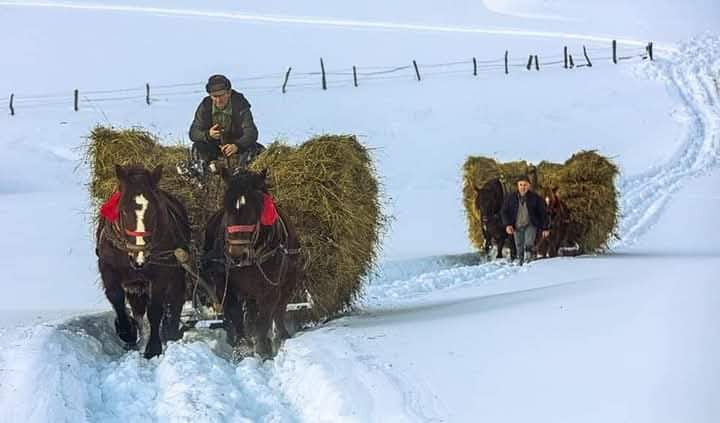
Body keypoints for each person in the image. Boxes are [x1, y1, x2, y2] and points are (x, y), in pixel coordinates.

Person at [189, 74, 263, 169]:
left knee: (256, 149)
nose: (218, 100)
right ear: (210, 95)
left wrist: (237, 145)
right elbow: (193, 133)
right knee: (198, 146)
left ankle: (241, 172)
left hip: (237, 144)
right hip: (214, 146)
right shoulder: (205, 106)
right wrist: (208, 135)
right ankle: (203, 172)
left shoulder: (240, 105)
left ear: (229, 93)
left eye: (221, 95)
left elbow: (251, 132)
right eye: (214, 96)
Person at [501, 175, 550, 265]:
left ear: (529, 186)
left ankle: (528, 262)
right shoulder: (510, 198)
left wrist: (545, 228)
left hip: (530, 224)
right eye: (521, 185)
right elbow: (504, 212)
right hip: (516, 225)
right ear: (517, 185)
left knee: (528, 243)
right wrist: (508, 224)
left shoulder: (535, 198)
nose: (523, 187)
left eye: (525, 185)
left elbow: (543, 213)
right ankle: (520, 261)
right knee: (519, 245)